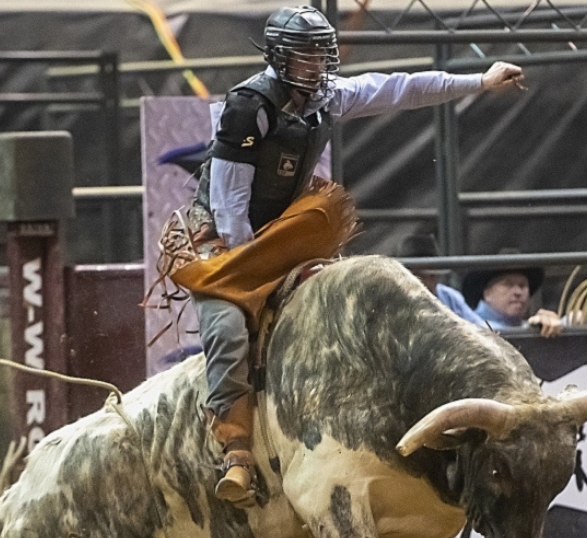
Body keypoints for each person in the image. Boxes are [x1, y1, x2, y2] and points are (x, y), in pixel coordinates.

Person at [166, 5, 526, 505]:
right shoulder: (249, 107)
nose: (316, 66)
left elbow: (399, 87)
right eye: (305, 56)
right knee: (228, 328)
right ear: (279, 57)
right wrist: (252, 276)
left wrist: (479, 81)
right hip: (228, 237)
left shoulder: (327, 97)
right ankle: (235, 448)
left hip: (284, 225)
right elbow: (229, 203)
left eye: (321, 56)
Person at [393, 233, 485, 326]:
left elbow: (479, 326)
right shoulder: (391, 300)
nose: (427, 283)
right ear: (403, 275)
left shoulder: (450, 297)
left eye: (432, 276)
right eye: (419, 276)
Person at [461, 262, 564, 337]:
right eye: (508, 285)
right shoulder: (467, 326)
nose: (518, 292)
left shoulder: (531, 325)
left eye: (522, 285)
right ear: (487, 293)